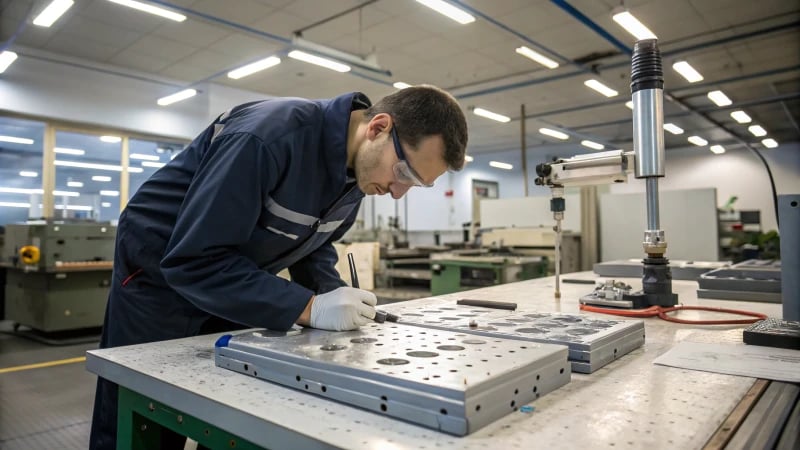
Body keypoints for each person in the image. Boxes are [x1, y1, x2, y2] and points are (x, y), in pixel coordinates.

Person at [89, 85, 469, 449]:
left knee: (225, 411)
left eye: (414, 183)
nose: (399, 191)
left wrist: (330, 291)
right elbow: (194, 258)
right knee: (146, 415)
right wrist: (308, 308)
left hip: (234, 280)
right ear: (378, 127)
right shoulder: (268, 136)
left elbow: (310, 241)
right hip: (156, 279)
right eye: (403, 173)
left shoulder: (360, 172)